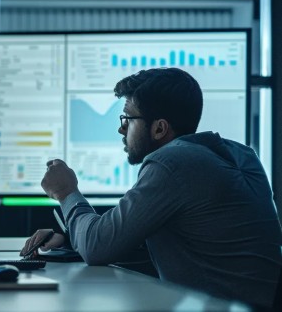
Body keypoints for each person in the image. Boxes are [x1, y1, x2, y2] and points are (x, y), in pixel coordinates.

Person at [22, 67, 282, 308]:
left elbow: (96, 246)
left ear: (159, 128)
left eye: (128, 119)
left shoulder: (172, 163)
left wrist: (66, 192)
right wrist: (71, 239)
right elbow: (159, 245)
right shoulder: (240, 155)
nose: (121, 129)